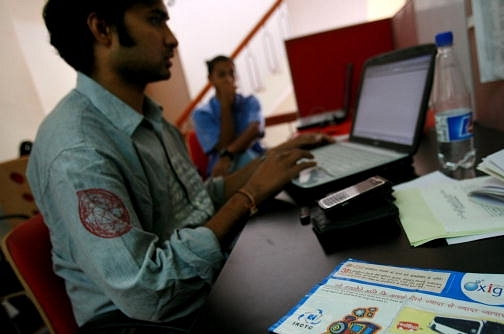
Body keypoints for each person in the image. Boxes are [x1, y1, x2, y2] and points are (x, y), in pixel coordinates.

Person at [28, 0, 332, 332]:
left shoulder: (154, 120)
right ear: (102, 29)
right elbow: (150, 293)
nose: (172, 39)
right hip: (147, 322)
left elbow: (200, 202)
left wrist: (273, 159)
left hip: (205, 286)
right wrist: (249, 196)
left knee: (327, 264)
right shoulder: (78, 149)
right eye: (156, 20)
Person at [191, 55, 266, 177]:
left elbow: (255, 130)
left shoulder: (250, 102)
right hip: (223, 170)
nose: (228, 79)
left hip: (255, 160)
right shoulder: (202, 113)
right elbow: (223, 146)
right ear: (211, 79)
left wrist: (229, 153)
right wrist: (225, 107)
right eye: (221, 75)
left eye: (231, 73)